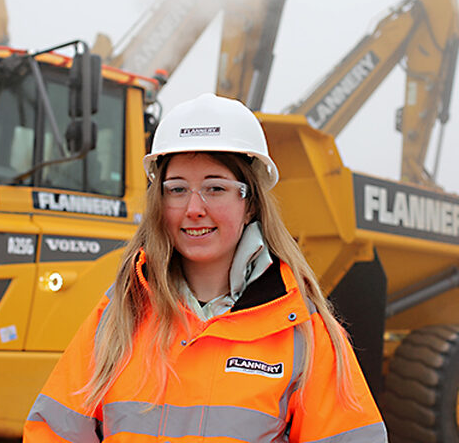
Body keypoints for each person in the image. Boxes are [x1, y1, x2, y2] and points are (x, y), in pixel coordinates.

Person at [24, 93, 387, 442]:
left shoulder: (303, 334)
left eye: (215, 188)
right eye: (177, 189)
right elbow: (54, 433)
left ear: (250, 205)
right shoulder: (119, 317)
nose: (193, 208)